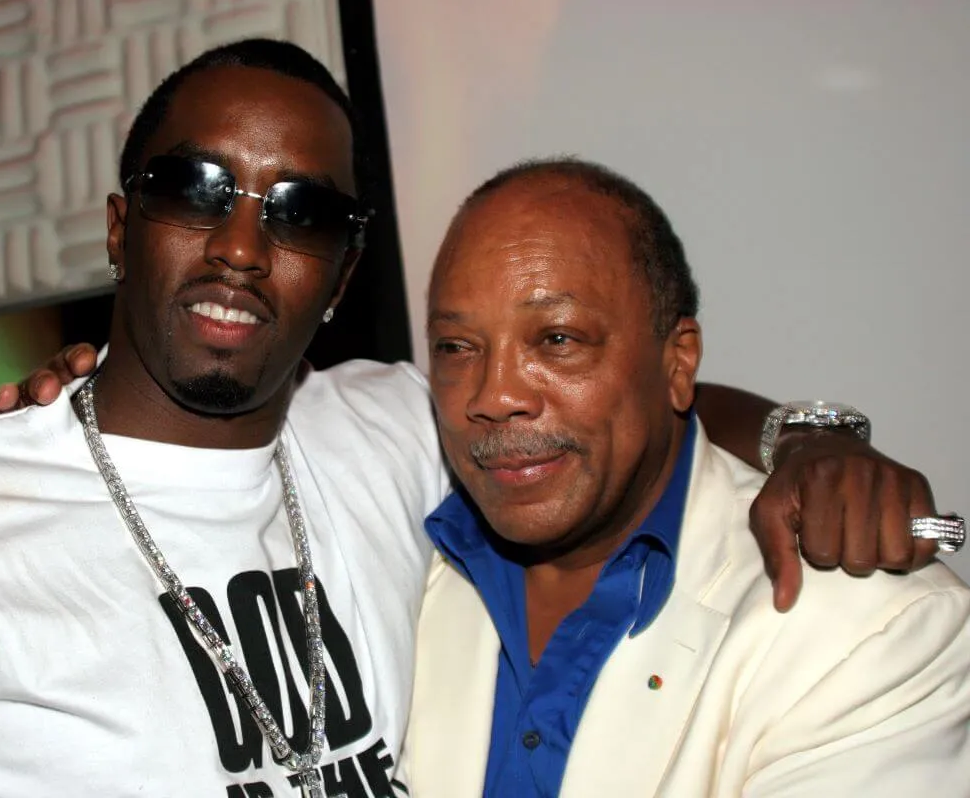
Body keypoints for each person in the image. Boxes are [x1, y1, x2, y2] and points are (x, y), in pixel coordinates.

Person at [0, 39, 945, 798]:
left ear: (338, 277)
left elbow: (629, 413)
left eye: (300, 212)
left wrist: (811, 437)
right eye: (196, 190)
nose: (240, 244)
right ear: (124, 227)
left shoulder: (395, 422)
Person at [402, 158, 970, 796]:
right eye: (456, 347)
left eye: (558, 339)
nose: (494, 394)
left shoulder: (873, 632)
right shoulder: (398, 556)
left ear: (678, 361)